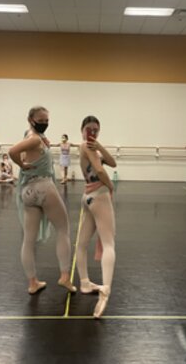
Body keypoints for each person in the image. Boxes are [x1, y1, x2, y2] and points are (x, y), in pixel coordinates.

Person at [9, 106, 76, 295]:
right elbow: (12, 151)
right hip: (43, 186)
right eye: (41, 120)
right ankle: (65, 276)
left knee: (28, 240)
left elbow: (28, 142)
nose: (45, 123)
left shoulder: (31, 136)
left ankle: (33, 283)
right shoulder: (35, 139)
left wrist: (41, 142)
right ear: (31, 120)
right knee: (63, 229)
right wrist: (21, 164)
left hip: (28, 191)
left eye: (47, 120)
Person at [76, 115, 117, 319]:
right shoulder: (86, 146)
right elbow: (100, 169)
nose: (92, 133)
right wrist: (110, 185)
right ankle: (105, 290)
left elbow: (112, 162)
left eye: (96, 130)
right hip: (99, 195)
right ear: (82, 130)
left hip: (88, 196)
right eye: (89, 129)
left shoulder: (90, 147)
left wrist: (99, 145)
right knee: (109, 244)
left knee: (82, 243)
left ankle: (84, 283)